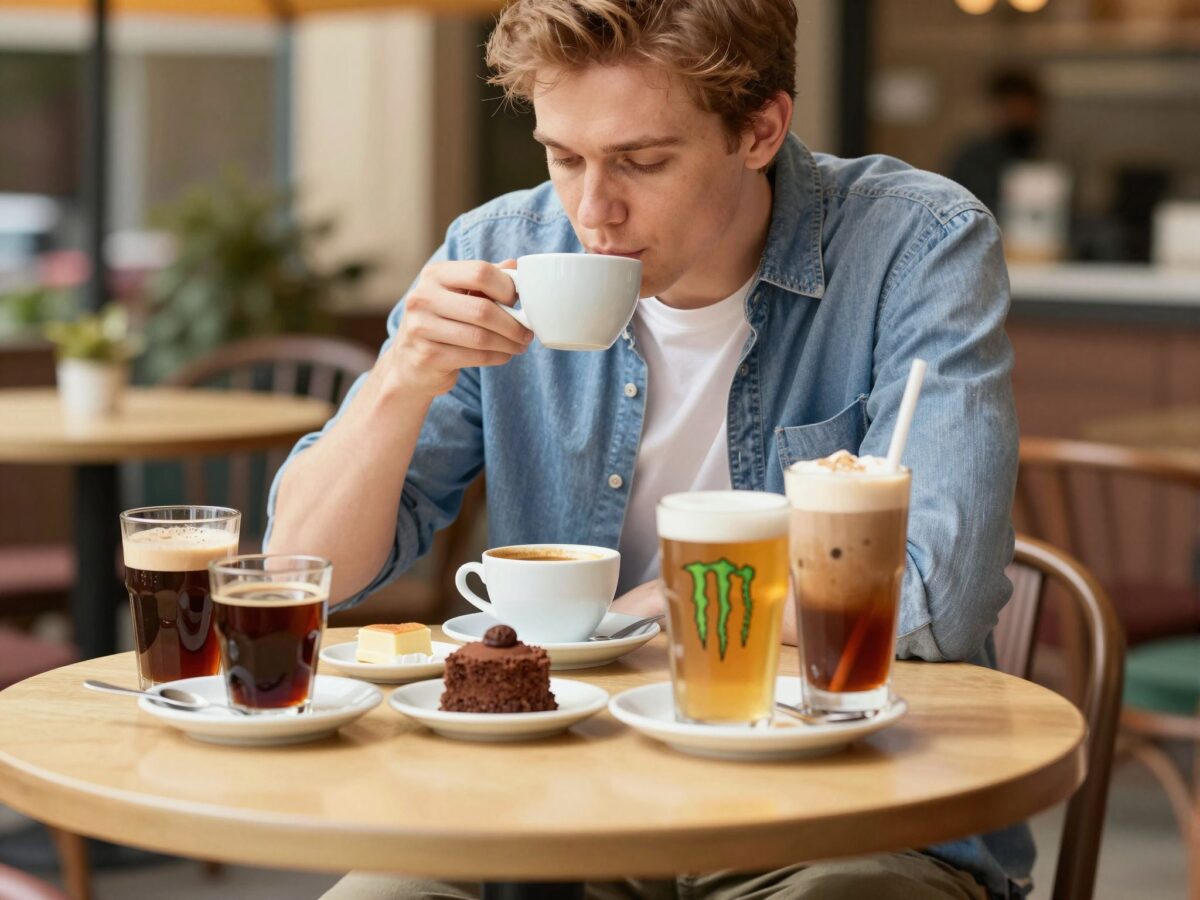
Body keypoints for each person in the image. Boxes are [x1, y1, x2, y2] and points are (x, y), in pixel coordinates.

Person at [266, 1, 1029, 897]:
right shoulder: (497, 252)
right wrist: (403, 378)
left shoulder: (914, 245)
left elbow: (939, 593)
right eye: (564, 157)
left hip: (835, 807)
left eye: (642, 160)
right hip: (554, 797)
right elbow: (298, 572)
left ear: (760, 129)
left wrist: (660, 602)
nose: (593, 210)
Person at [948, 70, 1045, 216]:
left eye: (1025, 107)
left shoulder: (1047, 155)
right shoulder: (972, 159)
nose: (1019, 114)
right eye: (1012, 107)